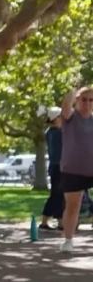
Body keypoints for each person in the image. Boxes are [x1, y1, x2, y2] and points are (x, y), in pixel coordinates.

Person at [58, 86, 93, 252]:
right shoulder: (70, 117)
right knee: (73, 206)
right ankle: (68, 241)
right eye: (84, 99)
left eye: (91, 100)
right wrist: (75, 90)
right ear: (77, 101)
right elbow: (65, 104)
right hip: (72, 169)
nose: (87, 103)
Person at [39, 107, 63, 230]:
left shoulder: (49, 132)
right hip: (60, 166)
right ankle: (45, 220)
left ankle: (60, 221)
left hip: (55, 166)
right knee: (56, 195)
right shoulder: (59, 133)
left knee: (59, 195)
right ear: (56, 119)